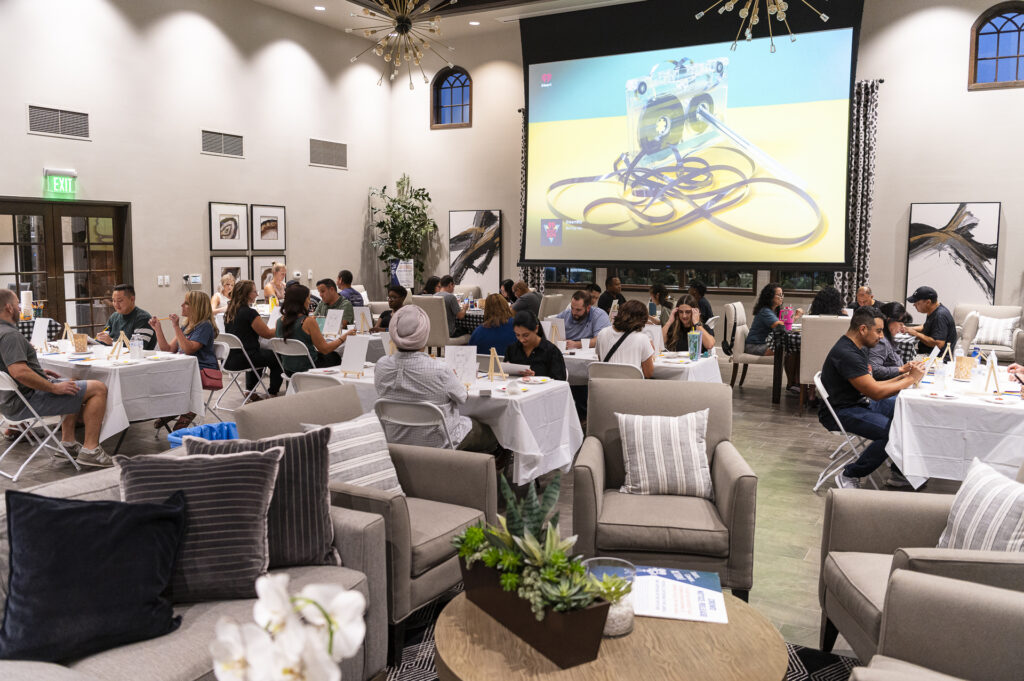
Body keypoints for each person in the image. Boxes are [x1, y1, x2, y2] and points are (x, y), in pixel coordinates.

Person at [0, 289, 110, 466]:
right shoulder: (10, 335)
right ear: (8, 308)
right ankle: (91, 450)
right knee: (98, 388)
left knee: (71, 382)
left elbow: (8, 368)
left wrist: (39, 373)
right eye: (17, 305)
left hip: (8, 403)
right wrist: (53, 387)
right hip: (25, 401)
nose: (20, 309)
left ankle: (68, 444)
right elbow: (19, 372)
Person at [820, 306, 925, 489]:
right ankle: (849, 475)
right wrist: (909, 380)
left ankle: (900, 471)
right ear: (863, 329)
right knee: (890, 432)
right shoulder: (847, 354)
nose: (881, 336)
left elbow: (873, 386)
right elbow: (875, 392)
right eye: (878, 331)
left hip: (859, 403)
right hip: (841, 411)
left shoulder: (858, 348)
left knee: (905, 412)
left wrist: (903, 377)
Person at [374, 305, 498, 452]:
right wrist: (455, 378)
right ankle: (483, 471)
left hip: (396, 441)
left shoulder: (381, 366)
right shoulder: (440, 369)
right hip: (441, 443)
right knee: (492, 432)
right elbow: (463, 397)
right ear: (425, 334)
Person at [150, 291, 220, 431]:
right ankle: (177, 409)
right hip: (186, 368)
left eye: (186, 303)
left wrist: (175, 327)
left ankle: (184, 410)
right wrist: (157, 329)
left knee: (174, 378)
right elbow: (168, 349)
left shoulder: (204, 326)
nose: (182, 305)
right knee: (162, 376)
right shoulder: (187, 326)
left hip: (202, 369)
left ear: (196, 307)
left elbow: (189, 349)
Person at [223, 279, 284, 400]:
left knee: (260, 355)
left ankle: (250, 391)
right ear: (247, 294)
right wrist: (280, 326)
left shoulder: (230, 312)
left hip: (230, 359)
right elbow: (266, 333)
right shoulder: (249, 313)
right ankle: (272, 392)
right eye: (254, 292)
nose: (257, 294)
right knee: (278, 357)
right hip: (246, 358)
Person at [275, 284, 355, 373]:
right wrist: (344, 337)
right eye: (308, 298)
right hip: (309, 368)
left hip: (288, 369)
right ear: (302, 301)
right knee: (335, 356)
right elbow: (325, 349)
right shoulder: (307, 322)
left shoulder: (278, 321)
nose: (309, 302)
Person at [746, 282, 802, 391]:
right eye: (779, 295)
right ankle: (792, 383)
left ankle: (795, 382)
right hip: (755, 345)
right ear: (770, 296)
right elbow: (781, 327)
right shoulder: (765, 311)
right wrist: (796, 316)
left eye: (782, 295)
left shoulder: (772, 310)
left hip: (764, 343)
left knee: (795, 348)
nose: (782, 297)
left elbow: (782, 326)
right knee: (789, 348)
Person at [594, 299, 655, 378]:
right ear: (642, 320)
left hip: (605, 386)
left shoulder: (602, 333)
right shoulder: (642, 338)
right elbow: (648, 374)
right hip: (631, 388)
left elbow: (602, 362)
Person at [504, 310, 567, 381]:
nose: (521, 340)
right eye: (517, 335)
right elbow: (505, 376)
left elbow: (559, 381)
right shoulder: (512, 350)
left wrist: (536, 378)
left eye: (526, 335)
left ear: (536, 329)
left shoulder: (551, 351)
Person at [96, 284, 156, 350]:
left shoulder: (143, 318)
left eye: (119, 301)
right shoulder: (114, 317)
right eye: (113, 300)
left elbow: (139, 347)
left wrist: (112, 343)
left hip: (139, 358)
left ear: (132, 299)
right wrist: (98, 339)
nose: (116, 304)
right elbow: (104, 339)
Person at [905, 286, 957, 359]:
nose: (914, 305)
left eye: (917, 303)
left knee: (903, 358)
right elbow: (926, 326)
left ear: (928, 302)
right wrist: (909, 329)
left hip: (937, 359)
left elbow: (938, 343)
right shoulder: (934, 311)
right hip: (928, 354)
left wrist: (916, 334)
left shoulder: (940, 316)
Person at [869, 302, 915, 381]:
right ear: (889, 320)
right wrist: (901, 369)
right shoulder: (880, 341)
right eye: (900, 324)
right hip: (885, 387)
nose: (902, 328)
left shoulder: (889, 339)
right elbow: (874, 370)